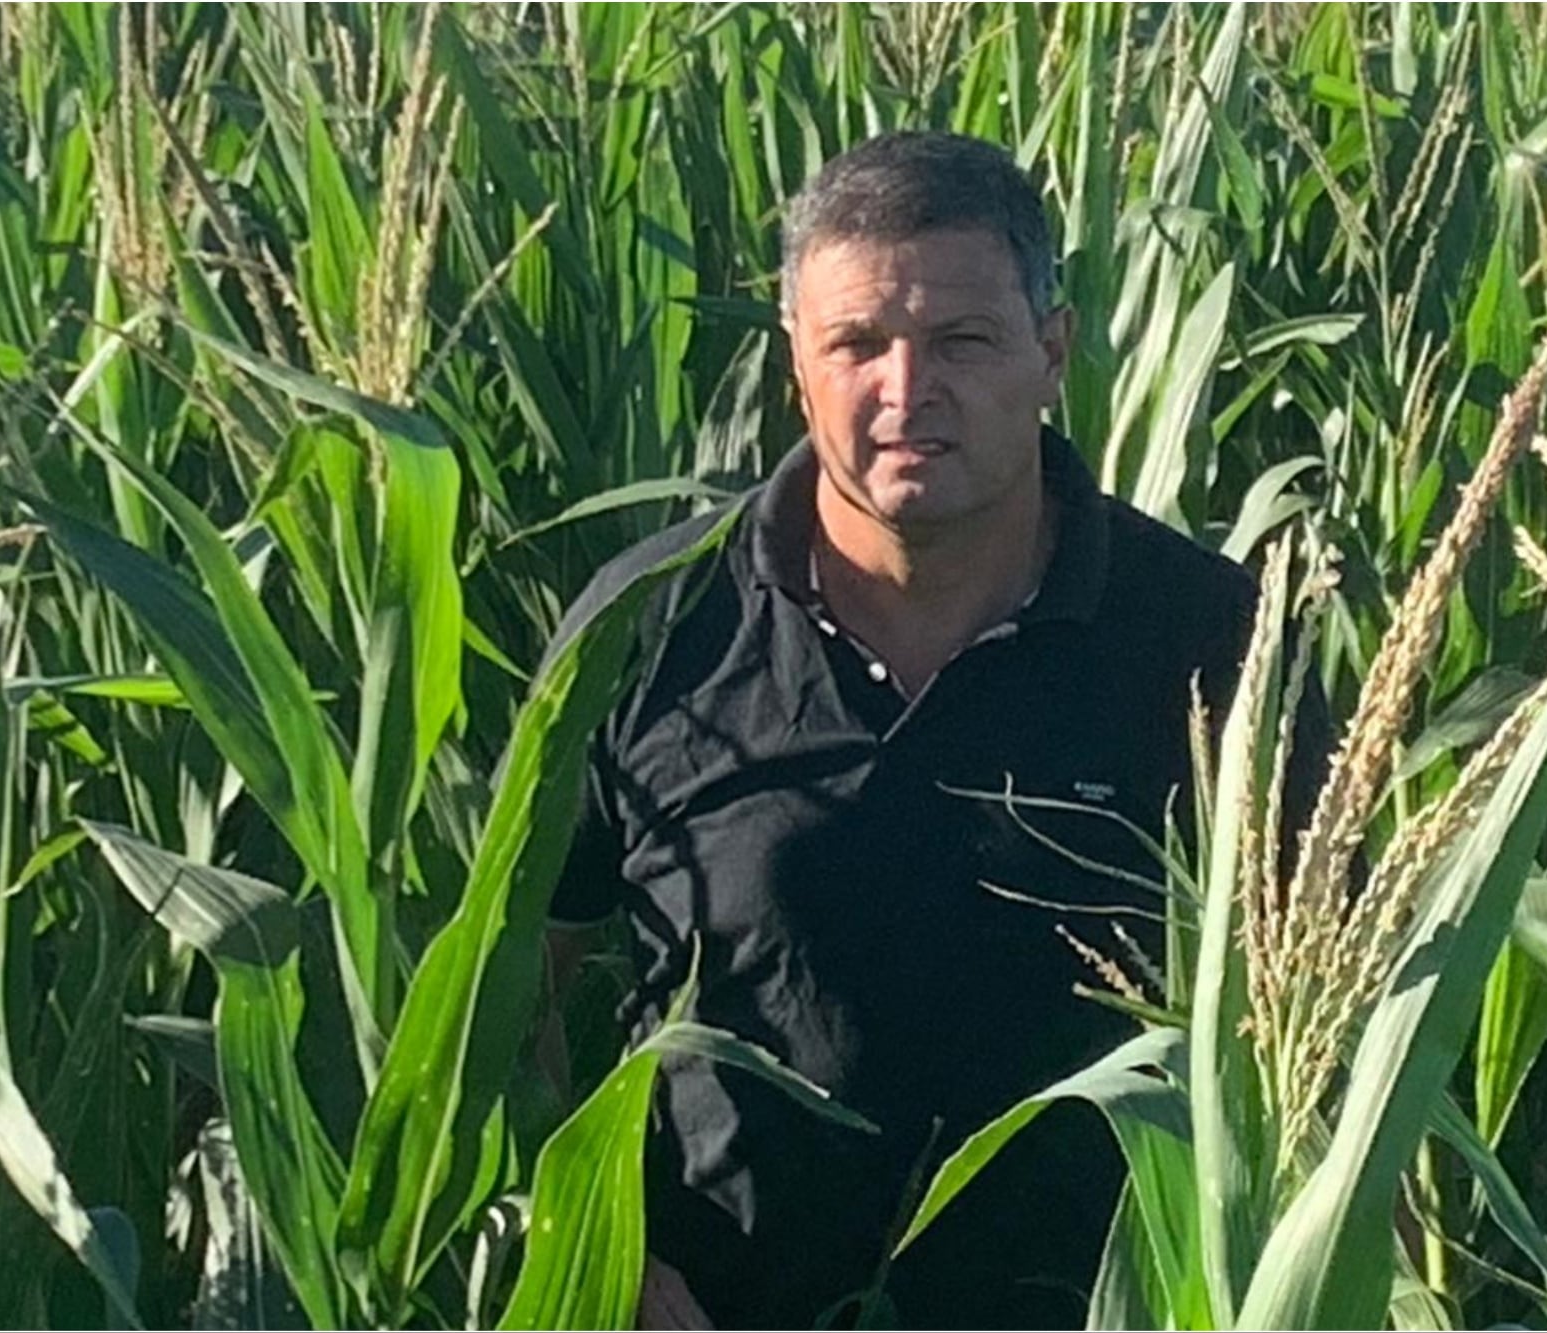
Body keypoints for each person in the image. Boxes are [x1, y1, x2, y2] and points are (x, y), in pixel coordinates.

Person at [544, 131, 1326, 1329]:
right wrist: (606, 1261)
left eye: (960, 341)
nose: (906, 393)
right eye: (856, 344)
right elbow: (520, 982)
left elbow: (1332, 1009)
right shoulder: (650, 631)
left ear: (1050, 353)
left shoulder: (1210, 641)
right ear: (793, 362)